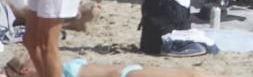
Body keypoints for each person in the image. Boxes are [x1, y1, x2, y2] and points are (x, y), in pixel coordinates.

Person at [2, 55, 223, 77]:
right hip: (126, 76)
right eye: (29, 59)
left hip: (127, 71)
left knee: (194, 74)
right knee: (193, 75)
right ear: (26, 70)